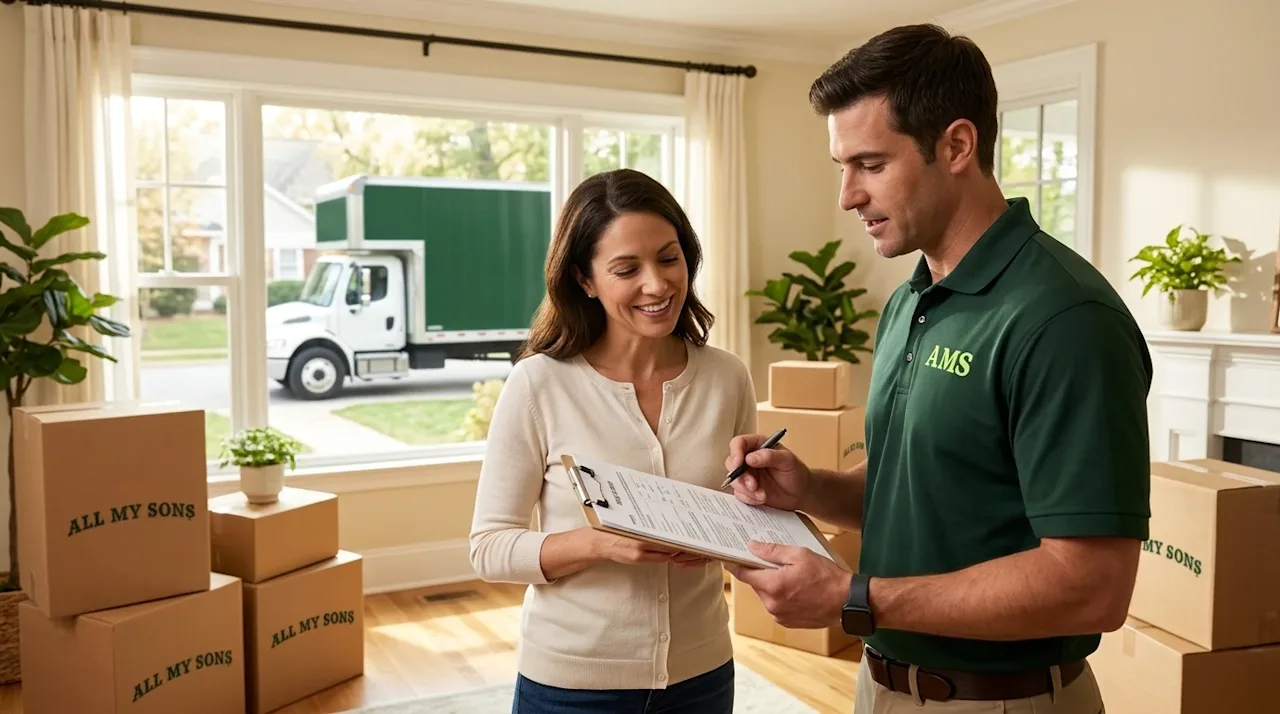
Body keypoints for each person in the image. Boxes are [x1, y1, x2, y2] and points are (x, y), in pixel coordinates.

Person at [724, 23, 1152, 713]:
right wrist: (812, 489)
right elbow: (925, 483)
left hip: (1003, 700)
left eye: (869, 164)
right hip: (883, 684)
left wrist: (854, 598)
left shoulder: (1065, 320)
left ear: (957, 145)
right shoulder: (910, 301)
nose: (847, 195)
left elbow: (1094, 585)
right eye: (842, 166)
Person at [469, 168, 758, 713]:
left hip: (703, 673)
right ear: (584, 279)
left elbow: (738, 516)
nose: (657, 284)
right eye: (627, 269)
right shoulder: (539, 384)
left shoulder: (727, 377)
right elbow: (488, 549)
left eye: (669, 258)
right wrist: (600, 543)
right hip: (572, 685)